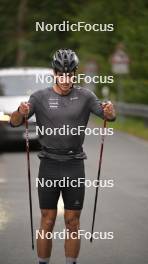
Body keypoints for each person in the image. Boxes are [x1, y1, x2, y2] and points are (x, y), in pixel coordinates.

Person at [10, 49, 116, 264]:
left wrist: (110, 110)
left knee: (72, 222)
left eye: (70, 74)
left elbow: (108, 116)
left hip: (74, 164)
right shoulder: (39, 97)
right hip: (48, 165)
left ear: (75, 73)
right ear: (54, 73)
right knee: (47, 221)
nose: (66, 79)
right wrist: (20, 112)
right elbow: (14, 122)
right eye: (61, 74)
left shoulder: (86, 96)